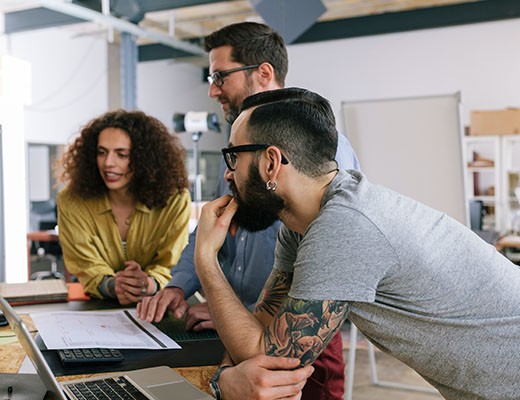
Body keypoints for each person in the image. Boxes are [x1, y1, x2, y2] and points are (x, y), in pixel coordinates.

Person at [194, 87, 520, 400]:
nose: (228, 173)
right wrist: (226, 377)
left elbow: (268, 355)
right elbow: (260, 336)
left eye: (233, 156)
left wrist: (206, 259)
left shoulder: (344, 225)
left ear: (270, 163)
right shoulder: (302, 225)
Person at [137, 22, 360, 400]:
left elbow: (323, 272)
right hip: (239, 332)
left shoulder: (321, 152)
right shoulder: (240, 145)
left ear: (264, 73)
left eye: (220, 76)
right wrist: (181, 285)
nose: (212, 90)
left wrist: (236, 313)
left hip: (296, 345)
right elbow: (215, 222)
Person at [57, 109, 191, 305]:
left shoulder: (175, 200)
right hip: (97, 309)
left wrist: (148, 284)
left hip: (159, 305)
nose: (108, 163)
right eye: (101, 153)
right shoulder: (71, 201)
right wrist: (113, 286)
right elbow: (86, 266)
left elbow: (171, 263)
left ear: (144, 159)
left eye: (122, 154)